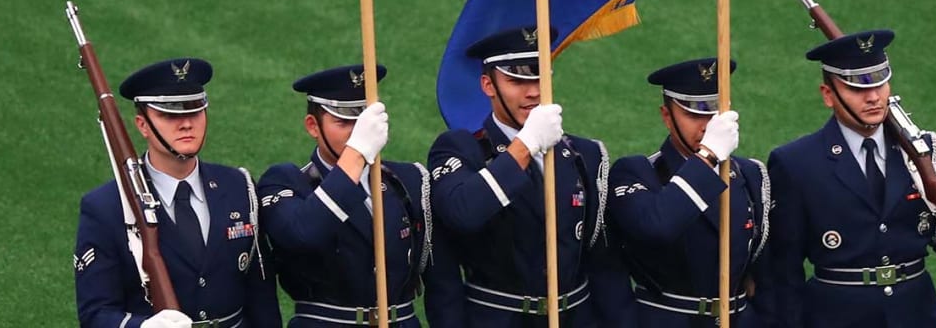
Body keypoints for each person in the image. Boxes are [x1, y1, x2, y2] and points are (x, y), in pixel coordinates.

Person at [759, 30, 936, 327]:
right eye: (856, 88)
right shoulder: (796, 163)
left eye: (880, 82)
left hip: (915, 314)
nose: (873, 97)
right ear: (828, 95)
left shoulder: (924, 149)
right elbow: (782, 272)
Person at [426, 26, 630, 327]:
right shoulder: (461, 149)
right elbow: (462, 212)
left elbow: (601, 262)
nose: (533, 91)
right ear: (488, 85)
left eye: (539, 78)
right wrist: (526, 145)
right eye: (516, 80)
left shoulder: (585, 155)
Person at [74, 58, 281, 328]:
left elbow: (261, 297)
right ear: (142, 124)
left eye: (195, 111)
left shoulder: (239, 187)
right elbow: (95, 313)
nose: (186, 124)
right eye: (170, 114)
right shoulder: (106, 207)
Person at [257, 64, 466, 328]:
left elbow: (444, 286)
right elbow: (304, 233)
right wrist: (356, 154)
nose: (357, 132)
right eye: (343, 122)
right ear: (313, 126)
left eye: (363, 122)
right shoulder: (286, 182)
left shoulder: (410, 179)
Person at [607, 58, 771, 327]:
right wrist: (707, 157)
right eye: (694, 114)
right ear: (667, 116)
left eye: (715, 113)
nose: (708, 126)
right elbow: (657, 226)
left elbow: (768, 272)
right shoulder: (637, 172)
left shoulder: (750, 174)